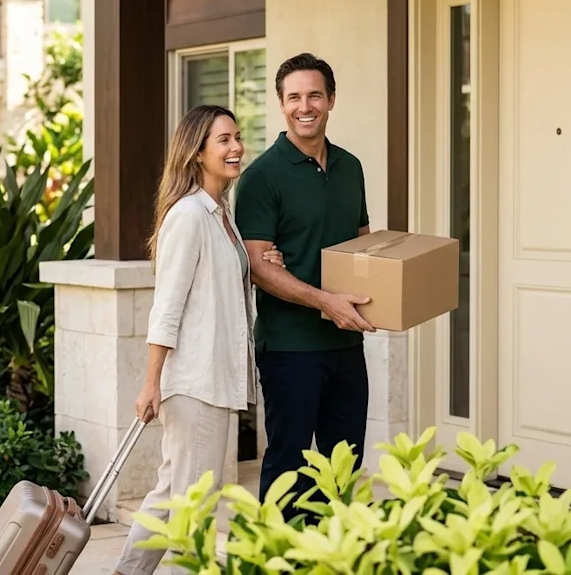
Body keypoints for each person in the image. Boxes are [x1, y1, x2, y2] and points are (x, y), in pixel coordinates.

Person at [113, 105, 284, 575]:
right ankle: (128, 572)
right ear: (197, 152)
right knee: (179, 497)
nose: (235, 148)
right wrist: (152, 383)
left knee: (193, 496)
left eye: (236, 137)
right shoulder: (189, 215)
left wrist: (258, 264)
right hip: (193, 381)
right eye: (223, 141)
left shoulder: (219, 216)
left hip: (214, 380)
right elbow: (166, 307)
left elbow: (216, 290)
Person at [234, 53, 375, 518]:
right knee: (289, 472)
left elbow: (359, 243)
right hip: (291, 349)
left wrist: (384, 289)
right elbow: (257, 265)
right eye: (293, 97)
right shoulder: (261, 177)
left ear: (331, 99)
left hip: (346, 344)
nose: (304, 105)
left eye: (314, 94)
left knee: (342, 467)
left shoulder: (351, 167)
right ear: (281, 104)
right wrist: (325, 302)